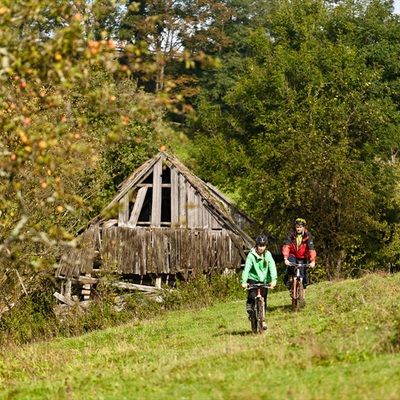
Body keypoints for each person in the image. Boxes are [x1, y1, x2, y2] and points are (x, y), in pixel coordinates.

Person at [241, 234, 277, 329]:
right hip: (253, 278)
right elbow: (246, 268)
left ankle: (263, 320)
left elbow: (272, 267)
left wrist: (273, 280)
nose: (261, 248)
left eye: (263, 246)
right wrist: (244, 281)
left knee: (263, 300)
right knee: (252, 296)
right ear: (256, 245)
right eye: (260, 246)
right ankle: (249, 305)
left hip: (264, 280)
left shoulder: (268, 255)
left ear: (266, 246)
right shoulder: (251, 255)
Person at [282, 218, 316, 304]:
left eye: (300, 227)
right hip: (292, 255)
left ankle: (302, 297)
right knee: (290, 265)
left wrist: (312, 261)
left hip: (302, 257)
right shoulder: (290, 234)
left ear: (304, 227)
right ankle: (290, 282)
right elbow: (286, 246)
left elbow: (311, 249)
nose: (298, 229)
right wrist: (285, 258)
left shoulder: (308, 235)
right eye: (297, 227)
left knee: (303, 276)